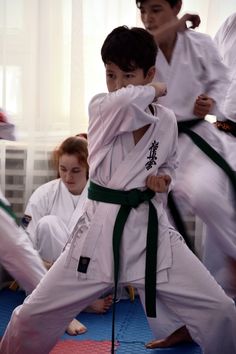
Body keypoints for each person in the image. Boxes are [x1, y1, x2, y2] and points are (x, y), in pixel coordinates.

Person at [1, 25, 236, 354]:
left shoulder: (166, 120)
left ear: (148, 71)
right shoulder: (103, 108)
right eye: (111, 75)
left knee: (221, 311)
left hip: (149, 235)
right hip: (96, 238)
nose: (117, 85)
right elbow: (127, 101)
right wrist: (155, 88)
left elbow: (168, 164)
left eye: (128, 75)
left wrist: (162, 181)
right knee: (29, 317)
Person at [136, 0, 236, 348]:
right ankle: (176, 324)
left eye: (157, 9)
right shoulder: (140, 48)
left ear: (176, 6)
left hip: (196, 140)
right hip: (157, 146)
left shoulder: (201, 43)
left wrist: (210, 100)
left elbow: (223, 80)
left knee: (208, 196)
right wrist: (173, 26)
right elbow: (131, 93)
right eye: (142, 10)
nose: (148, 18)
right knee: (156, 235)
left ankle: (234, 263)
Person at [22, 135, 113, 334]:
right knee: (48, 224)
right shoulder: (44, 194)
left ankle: (71, 301)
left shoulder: (102, 196)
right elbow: (25, 245)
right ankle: (75, 308)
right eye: (63, 169)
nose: (67, 177)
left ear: (88, 168)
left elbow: (109, 245)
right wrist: (53, 267)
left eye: (75, 171)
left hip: (89, 273)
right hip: (49, 269)